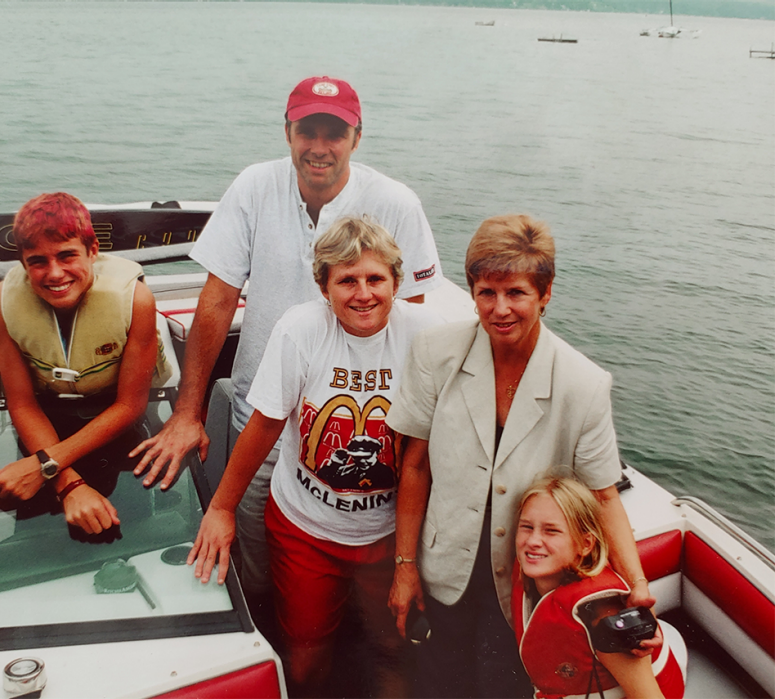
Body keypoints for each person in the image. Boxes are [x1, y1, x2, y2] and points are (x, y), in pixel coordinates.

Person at [130, 76, 444, 598]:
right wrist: (188, 412)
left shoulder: (396, 202)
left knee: (368, 553)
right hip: (261, 415)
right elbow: (217, 298)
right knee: (255, 548)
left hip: (356, 423)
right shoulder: (255, 185)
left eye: (334, 133)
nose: (319, 147)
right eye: (308, 131)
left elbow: (409, 320)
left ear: (357, 138)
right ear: (288, 132)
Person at [385, 214, 658, 699]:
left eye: (516, 293)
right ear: (471, 290)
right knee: (433, 684)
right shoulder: (434, 352)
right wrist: (405, 566)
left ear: (545, 293)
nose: (500, 309)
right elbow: (415, 465)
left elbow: (603, 494)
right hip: (443, 569)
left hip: (528, 585)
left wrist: (637, 586)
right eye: (486, 292)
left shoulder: (584, 383)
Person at [187, 218, 442, 698]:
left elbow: (423, 458)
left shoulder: (427, 335)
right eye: (347, 280)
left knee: (395, 648)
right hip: (305, 529)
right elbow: (263, 425)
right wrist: (221, 508)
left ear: (396, 282)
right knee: (303, 662)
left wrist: (407, 563)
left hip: (389, 533)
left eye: (375, 279)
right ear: (323, 286)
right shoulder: (301, 329)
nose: (363, 293)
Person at [0, 192, 168, 537]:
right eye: (37, 261)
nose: (55, 273)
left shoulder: (136, 300)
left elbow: (131, 405)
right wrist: (67, 484)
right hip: (44, 422)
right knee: (39, 535)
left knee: (131, 528)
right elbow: (22, 402)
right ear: (22, 264)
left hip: (119, 422)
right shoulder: (1, 302)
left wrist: (45, 467)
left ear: (93, 250)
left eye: (67, 255)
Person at [513, 476, 686, 699]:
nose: (533, 540)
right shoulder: (530, 577)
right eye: (527, 527)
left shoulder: (604, 614)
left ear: (585, 544)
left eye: (551, 531)